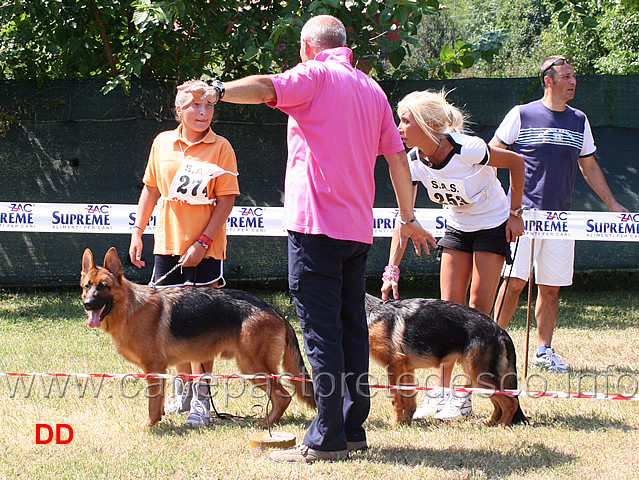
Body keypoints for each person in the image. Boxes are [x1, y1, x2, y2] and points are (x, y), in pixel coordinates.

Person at [180, 15, 433, 463]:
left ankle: (326, 437)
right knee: (352, 328)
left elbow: (264, 88)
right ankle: (353, 429)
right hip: (358, 232)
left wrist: (217, 91)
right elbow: (397, 159)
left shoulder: (313, 75)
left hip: (316, 229)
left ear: (307, 46)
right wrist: (409, 216)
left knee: (322, 333)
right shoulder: (371, 89)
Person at [380, 89, 525, 420]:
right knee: (448, 310)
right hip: (458, 227)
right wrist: (391, 269)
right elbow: (405, 219)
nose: (399, 128)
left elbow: (517, 162)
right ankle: (441, 393)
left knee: (477, 310)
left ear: (429, 124)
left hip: (492, 225)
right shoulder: (414, 162)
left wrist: (516, 212)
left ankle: (466, 393)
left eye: (405, 121)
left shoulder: (468, 148)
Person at [491, 56, 628, 373]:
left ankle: (543, 351)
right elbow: (491, 152)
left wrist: (612, 203)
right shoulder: (522, 114)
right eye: (566, 76)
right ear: (548, 80)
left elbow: (588, 164)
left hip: (561, 220)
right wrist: (505, 203)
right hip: (522, 216)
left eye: (574, 76)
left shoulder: (579, 119)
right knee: (513, 282)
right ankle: (490, 344)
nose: (573, 81)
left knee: (550, 288)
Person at [128, 79, 240, 427]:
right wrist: (137, 231)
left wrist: (203, 242)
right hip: (167, 245)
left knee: (203, 326)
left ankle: (202, 401)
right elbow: (150, 189)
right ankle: (183, 390)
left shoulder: (221, 147)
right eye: (195, 106)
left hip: (206, 250)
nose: (203, 112)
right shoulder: (162, 142)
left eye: (209, 106)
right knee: (171, 324)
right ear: (179, 109)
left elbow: (226, 201)